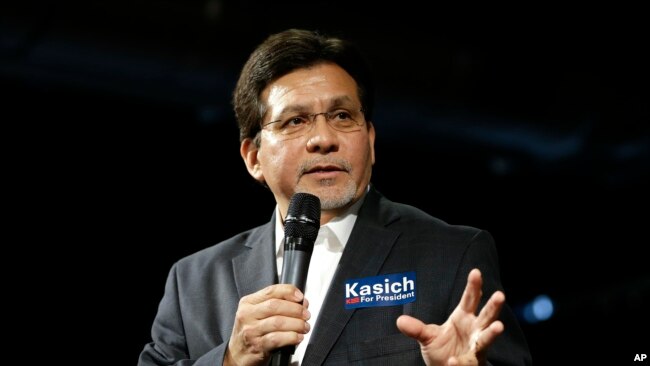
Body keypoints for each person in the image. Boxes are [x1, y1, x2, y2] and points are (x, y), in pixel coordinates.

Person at [138, 29, 532, 366]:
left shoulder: (453, 255)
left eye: (343, 116)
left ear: (371, 141)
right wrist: (230, 358)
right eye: (295, 121)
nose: (324, 139)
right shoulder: (193, 280)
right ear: (254, 157)